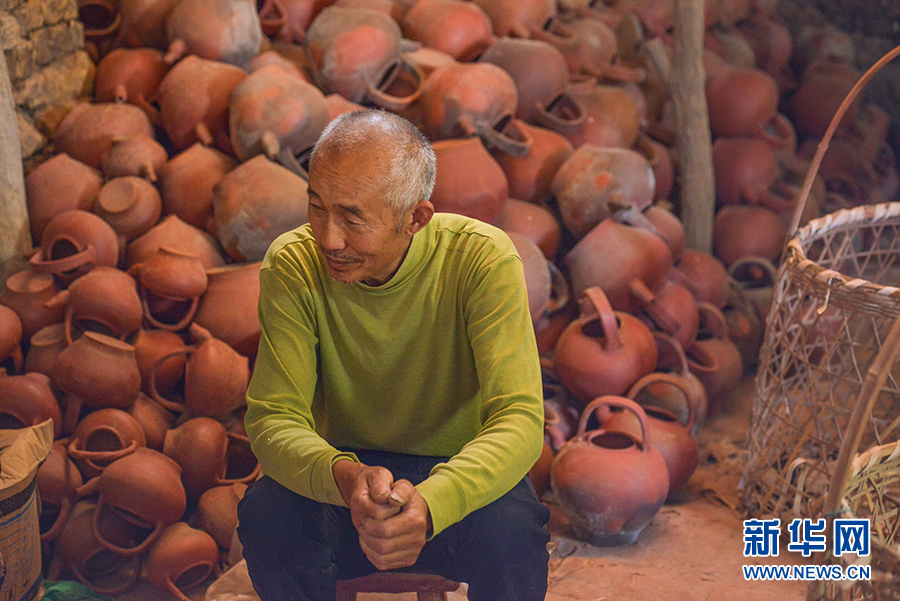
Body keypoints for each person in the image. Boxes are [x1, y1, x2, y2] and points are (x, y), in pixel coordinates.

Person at [237, 109, 550, 601]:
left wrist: (436, 500)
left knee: (514, 531)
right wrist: (344, 478)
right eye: (316, 207)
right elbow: (273, 419)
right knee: (268, 515)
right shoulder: (294, 264)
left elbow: (521, 419)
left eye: (352, 218)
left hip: (456, 470)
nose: (328, 238)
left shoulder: (481, 260)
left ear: (415, 219)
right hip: (345, 479)